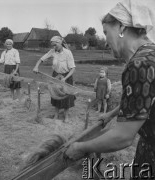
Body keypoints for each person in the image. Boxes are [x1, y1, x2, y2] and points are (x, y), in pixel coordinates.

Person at [65, 0, 155, 179]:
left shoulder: (139, 65)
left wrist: (80, 147)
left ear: (121, 27)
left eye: (106, 32)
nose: (106, 42)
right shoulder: (151, 54)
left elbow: (123, 137)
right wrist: (111, 114)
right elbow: (142, 101)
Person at [33, 36, 76, 122]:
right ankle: (56, 114)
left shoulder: (68, 53)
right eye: (52, 45)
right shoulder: (52, 52)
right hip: (55, 76)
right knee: (55, 94)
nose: (54, 47)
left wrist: (65, 78)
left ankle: (66, 115)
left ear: (60, 43)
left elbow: (73, 69)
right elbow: (41, 59)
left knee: (66, 96)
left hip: (66, 76)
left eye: (55, 45)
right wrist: (36, 66)